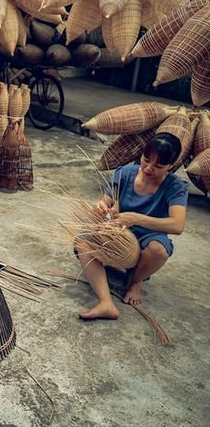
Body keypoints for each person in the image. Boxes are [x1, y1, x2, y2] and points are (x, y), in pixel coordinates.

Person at [75, 133, 188, 320]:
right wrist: (102, 208)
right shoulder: (125, 173)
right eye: (146, 160)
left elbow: (177, 225)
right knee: (83, 243)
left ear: (170, 166)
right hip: (119, 231)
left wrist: (137, 219)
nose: (149, 168)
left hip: (149, 235)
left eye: (158, 166)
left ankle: (135, 282)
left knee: (159, 250)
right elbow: (106, 201)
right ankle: (106, 303)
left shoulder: (175, 187)